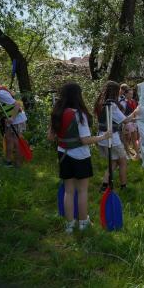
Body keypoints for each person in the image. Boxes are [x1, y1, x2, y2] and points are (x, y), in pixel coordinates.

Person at [48, 82, 112, 234]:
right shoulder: (79, 114)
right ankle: (83, 222)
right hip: (80, 156)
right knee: (82, 191)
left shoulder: (57, 113)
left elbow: (50, 137)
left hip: (63, 155)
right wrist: (103, 136)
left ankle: (69, 225)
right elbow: (85, 140)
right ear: (78, 96)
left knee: (68, 191)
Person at [94, 81, 137, 192]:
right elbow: (125, 120)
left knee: (113, 162)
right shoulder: (111, 105)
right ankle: (124, 186)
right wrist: (136, 112)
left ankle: (104, 185)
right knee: (122, 162)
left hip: (101, 136)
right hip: (111, 138)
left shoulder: (100, 102)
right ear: (114, 91)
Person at [0, 82, 27, 167]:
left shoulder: (0, 93)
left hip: (17, 118)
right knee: (8, 139)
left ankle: (18, 164)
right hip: (9, 119)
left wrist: (12, 118)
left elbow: (17, 104)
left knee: (17, 140)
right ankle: (8, 161)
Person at [119, 84, 140, 160]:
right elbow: (121, 115)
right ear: (126, 94)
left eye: (132, 94)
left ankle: (137, 154)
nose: (131, 95)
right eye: (130, 94)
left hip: (134, 122)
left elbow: (137, 112)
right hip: (127, 122)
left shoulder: (134, 102)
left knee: (135, 138)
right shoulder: (122, 102)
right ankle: (127, 154)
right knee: (127, 138)